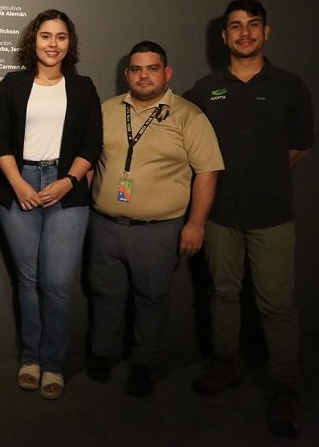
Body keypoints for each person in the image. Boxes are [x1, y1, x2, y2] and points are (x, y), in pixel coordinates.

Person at [186, 0, 313, 437]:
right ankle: (227, 363)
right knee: (222, 292)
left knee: (277, 305)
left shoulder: (290, 86)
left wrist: (264, 176)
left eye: (252, 25)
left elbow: (298, 146)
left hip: (272, 213)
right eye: (235, 26)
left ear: (266, 32)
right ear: (223, 36)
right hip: (218, 212)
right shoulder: (204, 89)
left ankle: (283, 388)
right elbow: (188, 148)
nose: (244, 33)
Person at [87, 41, 223, 397]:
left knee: (151, 300)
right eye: (136, 69)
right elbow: (89, 158)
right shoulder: (107, 110)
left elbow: (207, 172)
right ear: (126, 73)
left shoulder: (188, 116)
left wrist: (195, 224)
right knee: (105, 295)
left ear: (167, 72)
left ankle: (145, 366)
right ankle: (103, 355)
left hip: (158, 231)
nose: (143, 75)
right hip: (105, 225)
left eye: (152, 68)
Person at [0, 9, 102, 399]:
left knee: (56, 284)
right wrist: (19, 183)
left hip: (66, 189)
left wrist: (68, 182)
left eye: (60, 37)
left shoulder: (84, 87)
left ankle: (53, 364)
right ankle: (31, 359)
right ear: (32, 41)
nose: (52, 44)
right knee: (28, 280)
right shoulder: (13, 84)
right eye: (45, 36)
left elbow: (92, 144)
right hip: (17, 183)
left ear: (69, 44)